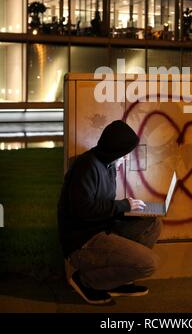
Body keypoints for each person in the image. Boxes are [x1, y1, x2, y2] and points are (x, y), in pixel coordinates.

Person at [57, 120, 161, 305]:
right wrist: (123, 206)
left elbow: (104, 205)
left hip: (102, 228)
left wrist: (130, 210)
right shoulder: (86, 167)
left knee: (152, 223)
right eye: (125, 153)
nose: (127, 158)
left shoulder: (109, 166)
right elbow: (83, 211)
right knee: (149, 263)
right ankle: (86, 281)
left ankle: (115, 281)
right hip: (83, 241)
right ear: (115, 150)